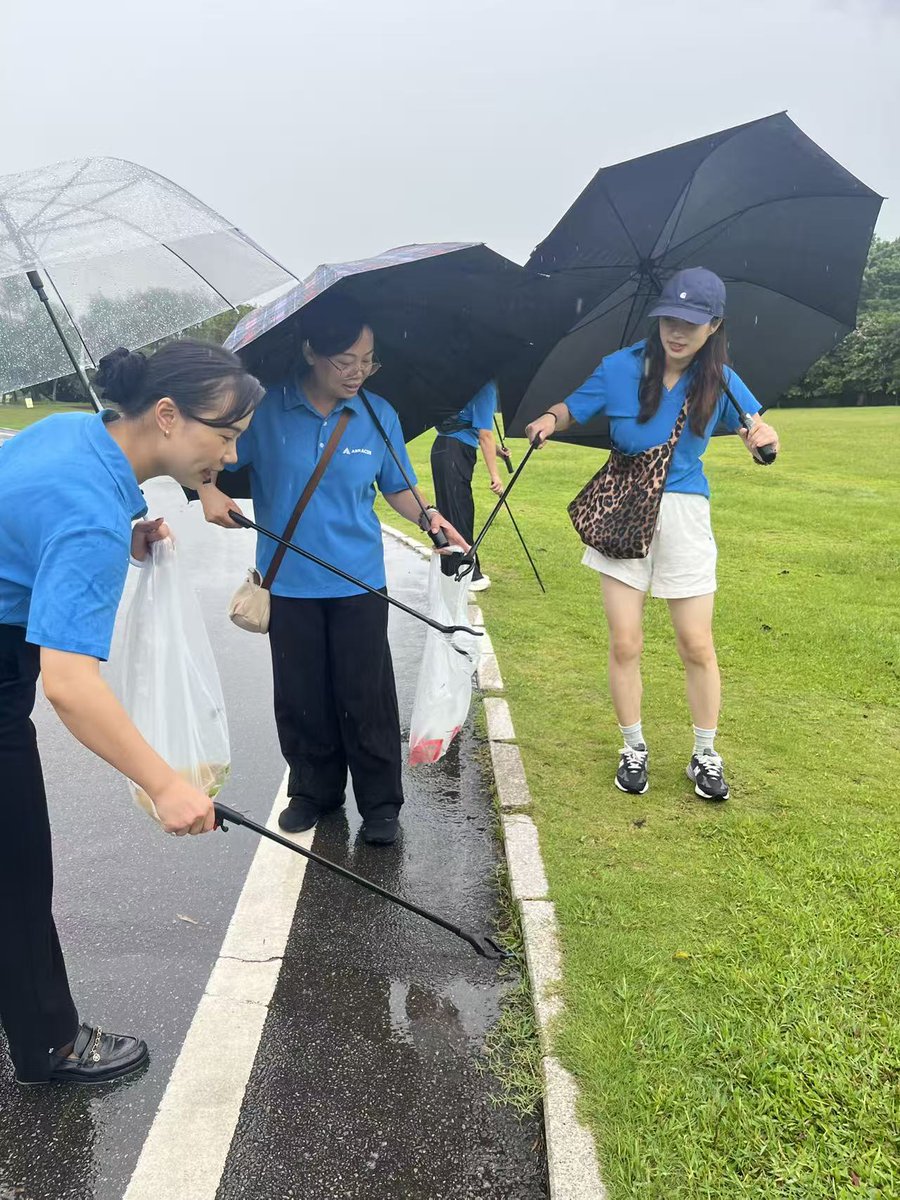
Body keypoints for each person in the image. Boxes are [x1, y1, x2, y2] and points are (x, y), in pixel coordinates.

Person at [0, 339, 263, 1085]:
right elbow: (70, 686)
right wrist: (167, 783)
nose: (230, 452)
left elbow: (29, 513)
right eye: (226, 432)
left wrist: (126, 536)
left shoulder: (69, 435)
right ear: (170, 415)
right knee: (15, 872)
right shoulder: (89, 512)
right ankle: (49, 1045)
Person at [198, 296, 468, 847]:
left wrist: (431, 518)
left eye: (368, 359)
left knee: (365, 695)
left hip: (359, 582)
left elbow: (396, 486)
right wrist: (205, 490)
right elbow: (212, 454)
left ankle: (380, 804)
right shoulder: (268, 410)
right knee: (301, 695)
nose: (358, 372)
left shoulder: (377, 414)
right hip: (288, 582)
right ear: (310, 352)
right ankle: (312, 793)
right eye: (345, 359)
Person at [526, 268, 779, 802]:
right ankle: (633, 746)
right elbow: (573, 406)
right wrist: (549, 419)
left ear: (714, 326)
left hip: (685, 515)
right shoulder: (619, 367)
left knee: (696, 643)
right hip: (622, 510)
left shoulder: (723, 379)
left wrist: (763, 438)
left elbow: (756, 432)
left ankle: (705, 753)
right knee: (625, 641)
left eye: (691, 323)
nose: (677, 332)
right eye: (669, 319)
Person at [430, 379, 509, 592]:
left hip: (444, 449)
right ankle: (467, 573)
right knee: (459, 512)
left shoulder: (467, 381)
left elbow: (470, 426)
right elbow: (485, 435)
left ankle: (451, 570)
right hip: (455, 452)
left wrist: (498, 452)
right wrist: (495, 475)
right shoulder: (486, 386)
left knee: (454, 510)